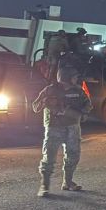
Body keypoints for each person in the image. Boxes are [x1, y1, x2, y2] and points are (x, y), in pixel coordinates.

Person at [32, 67, 93, 197]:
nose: (76, 79)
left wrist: (84, 112)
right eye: (74, 76)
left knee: (73, 155)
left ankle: (68, 182)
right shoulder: (50, 90)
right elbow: (35, 107)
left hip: (73, 127)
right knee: (49, 157)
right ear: (67, 78)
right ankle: (45, 185)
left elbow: (88, 104)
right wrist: (45, 101)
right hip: (54, 127)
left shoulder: (78, 90)